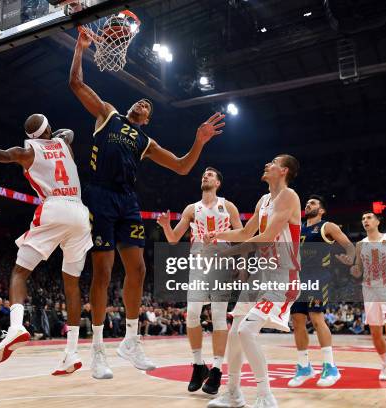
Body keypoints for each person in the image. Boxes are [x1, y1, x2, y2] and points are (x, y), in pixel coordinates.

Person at [69, 29, 226, 380]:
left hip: (127, 200)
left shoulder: (147, 141)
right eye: (140, 102)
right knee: (104, 272)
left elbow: (184, 166)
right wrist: (79, 50)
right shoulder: (108, 114)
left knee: (138, 270)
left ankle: (130, 340)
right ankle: (97, 349)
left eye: (148, 106)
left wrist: (199, 140)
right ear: (130, 108)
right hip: (99, 195)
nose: (143, 104)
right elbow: (77, 84)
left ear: (148, 119)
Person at [0, 115, 92, 376]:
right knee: (71, 284)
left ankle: (16, 327)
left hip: (55, 207)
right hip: (81, 213)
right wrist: (58, 134)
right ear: (48, 129)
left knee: (19, 272)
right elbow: (69, 132)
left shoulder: (26, 152)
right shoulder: (64, 144)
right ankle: (71, 354)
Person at [208, 154, 301, 408]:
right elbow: (247, 232)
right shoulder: (264, 200)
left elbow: (267, 237)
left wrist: (226, 253)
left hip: (282, 275)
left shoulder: (289, 196)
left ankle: (265, 395)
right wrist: (217, 235)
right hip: (261, 275)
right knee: (235, 333)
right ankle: (234, 393)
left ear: (283, 170)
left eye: (273, 162)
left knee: (246, 331)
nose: (267, 164)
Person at [157, 167, 242, 394]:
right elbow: (174, 238)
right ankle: (198, 365)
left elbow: (242, 236)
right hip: (198, 265)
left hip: (222, 264)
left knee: (218, 316)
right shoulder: (191, 209)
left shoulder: (228, 206)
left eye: (211, 174)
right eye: (204, 174)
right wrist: (166, 225)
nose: (206, 176)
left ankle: (216, 369)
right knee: (192, 314)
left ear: (218, 183)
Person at [288, 195, 355, 387]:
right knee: (298, 321)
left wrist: (350, 257)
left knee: (316, 318)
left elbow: (349, 246)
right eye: (307, 202)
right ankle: (304, 366)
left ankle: (330, 366)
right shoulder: (298, 227)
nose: (308, 204)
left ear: (322, 210)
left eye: (313, 203)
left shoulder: (328, 226)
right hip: (299, 279)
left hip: (318, 277)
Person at [350, 212, 386, 388]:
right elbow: (358, 269)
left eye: (369, 217)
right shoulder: (360, 245)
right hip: (370, 290)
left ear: (378, 221)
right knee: (375, 332)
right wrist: (352, 269)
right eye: (363, 218)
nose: (365, 220)